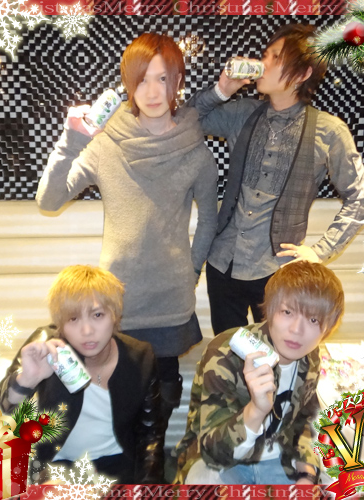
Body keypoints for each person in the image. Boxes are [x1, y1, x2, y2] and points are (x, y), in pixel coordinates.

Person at [35, 33, 218, 427]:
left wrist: (191, 271)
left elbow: (209, 219)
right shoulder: (106, 145)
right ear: (128, 84)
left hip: (171, 297)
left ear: (177, 81)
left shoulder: (195, 150)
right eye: (142, 79)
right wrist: (72, 140)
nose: (152, 91)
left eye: (163, 78)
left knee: (165, 392)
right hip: (117, 297)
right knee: (118, 394)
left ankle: (155, 461)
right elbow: (49, 201)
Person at [187, 23, 364, 335]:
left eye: (275, 57)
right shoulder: (242, 112)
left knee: (276, 355)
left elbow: (360, 198)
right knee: (227, 351)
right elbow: (187, 121)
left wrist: (320, 252)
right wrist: (223, 90)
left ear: (302, 74)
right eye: (265, 55)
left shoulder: (329, 131)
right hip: (222, 263)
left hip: (277, 272)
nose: (264, 62)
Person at [0, 265, 164, 484]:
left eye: (97, 315)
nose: (87, 331)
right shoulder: (46, 348)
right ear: (60, 324)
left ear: (115, 315)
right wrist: (26, 380)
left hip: (116, 467)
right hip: (54, 468)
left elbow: (150, 434)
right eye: (73, 319)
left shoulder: (140, 357)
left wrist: (147, 489)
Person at [174, 261, 344, 485]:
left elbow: (303, 419)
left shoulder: (309, 356)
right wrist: (255, 410)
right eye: (287, 312)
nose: (296, 330)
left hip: (279, 458)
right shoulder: (226, 352)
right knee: (202, 485)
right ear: (270, 310)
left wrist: (307, 470)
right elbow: (212, 453)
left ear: (328, 327)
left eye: (313, 320)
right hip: (224, 461)